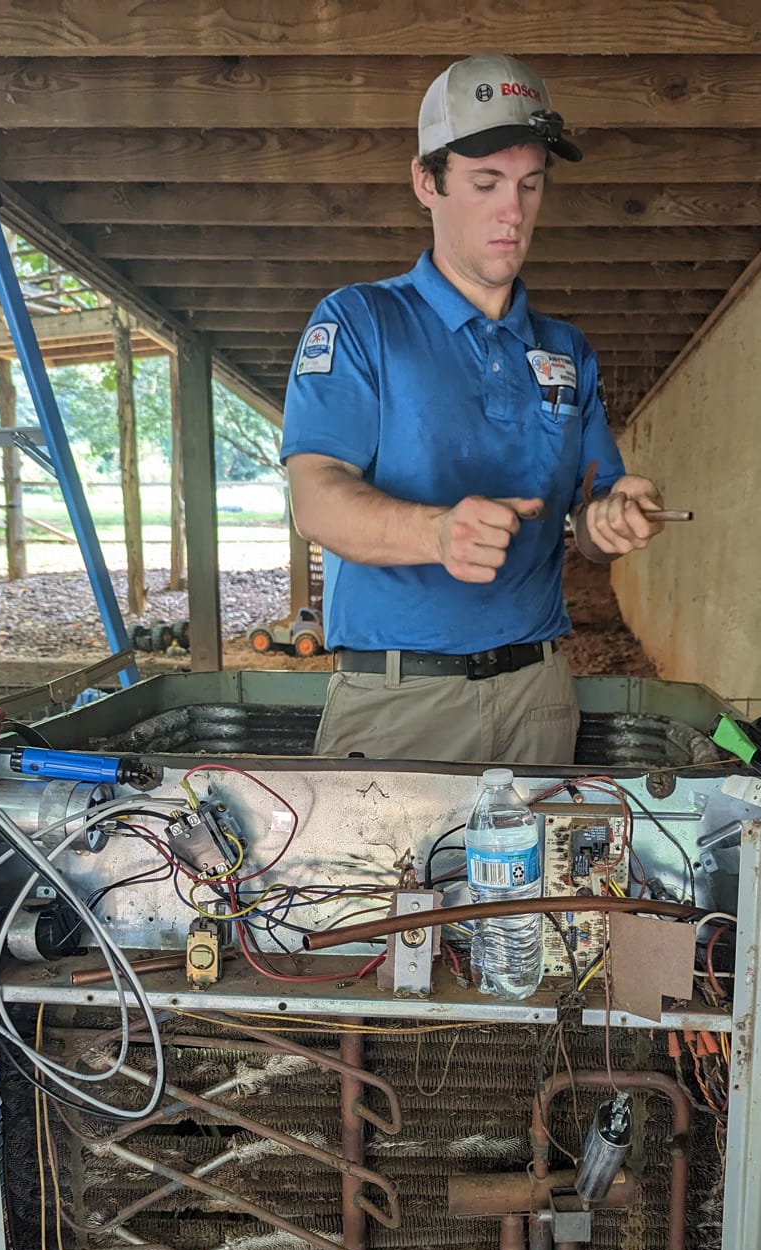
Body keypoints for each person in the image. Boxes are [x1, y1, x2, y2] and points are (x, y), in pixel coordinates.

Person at [281, 51, 670, 764]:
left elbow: (588, 513)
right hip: (402, 701)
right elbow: (317, 500)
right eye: (485, 183)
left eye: (529, 185)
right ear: (426, 182)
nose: (511, 212)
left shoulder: (564, 349)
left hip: (539, 693)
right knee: (387, 881)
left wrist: (611, 516)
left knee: (550, 880)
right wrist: (435, 535)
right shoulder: (362, 322)